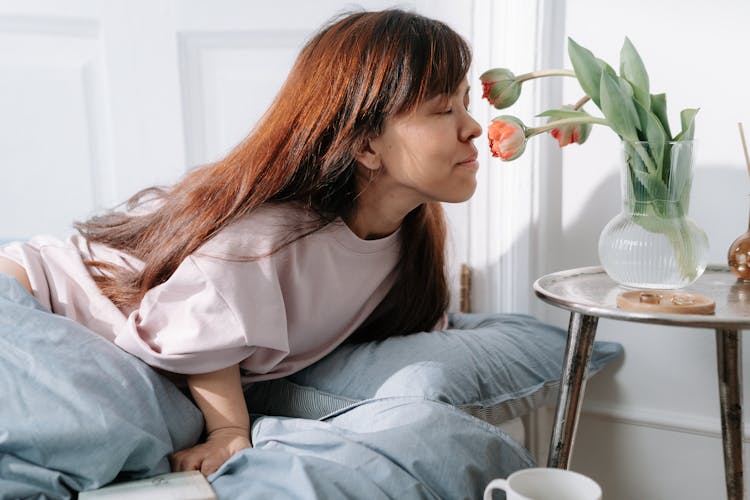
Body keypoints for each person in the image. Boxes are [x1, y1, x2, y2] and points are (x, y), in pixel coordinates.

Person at [0, 9, 481, 476]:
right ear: (365, 145)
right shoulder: (270, 239)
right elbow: (201, 327)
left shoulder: (409, 242)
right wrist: (229, 429)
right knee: (84, 438)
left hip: (103, 337)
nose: (473, 127)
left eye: (465, 102)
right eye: (443, 109)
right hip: (37, 296)